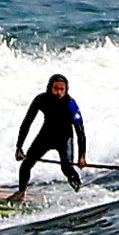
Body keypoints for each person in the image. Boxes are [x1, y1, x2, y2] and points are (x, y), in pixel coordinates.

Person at [9, 73, 86, 202]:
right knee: (26, 164)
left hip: (64, 138)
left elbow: (80, 132)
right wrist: (19, 147)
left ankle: (79, 191)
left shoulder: (70, 104)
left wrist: (82, 156)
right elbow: (27, 123)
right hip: (46, 136)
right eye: (56, 88)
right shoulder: (41, 100)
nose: (59, 92)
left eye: (62, 89)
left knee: (66, 168)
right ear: (49, 88)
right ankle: (21, 193)